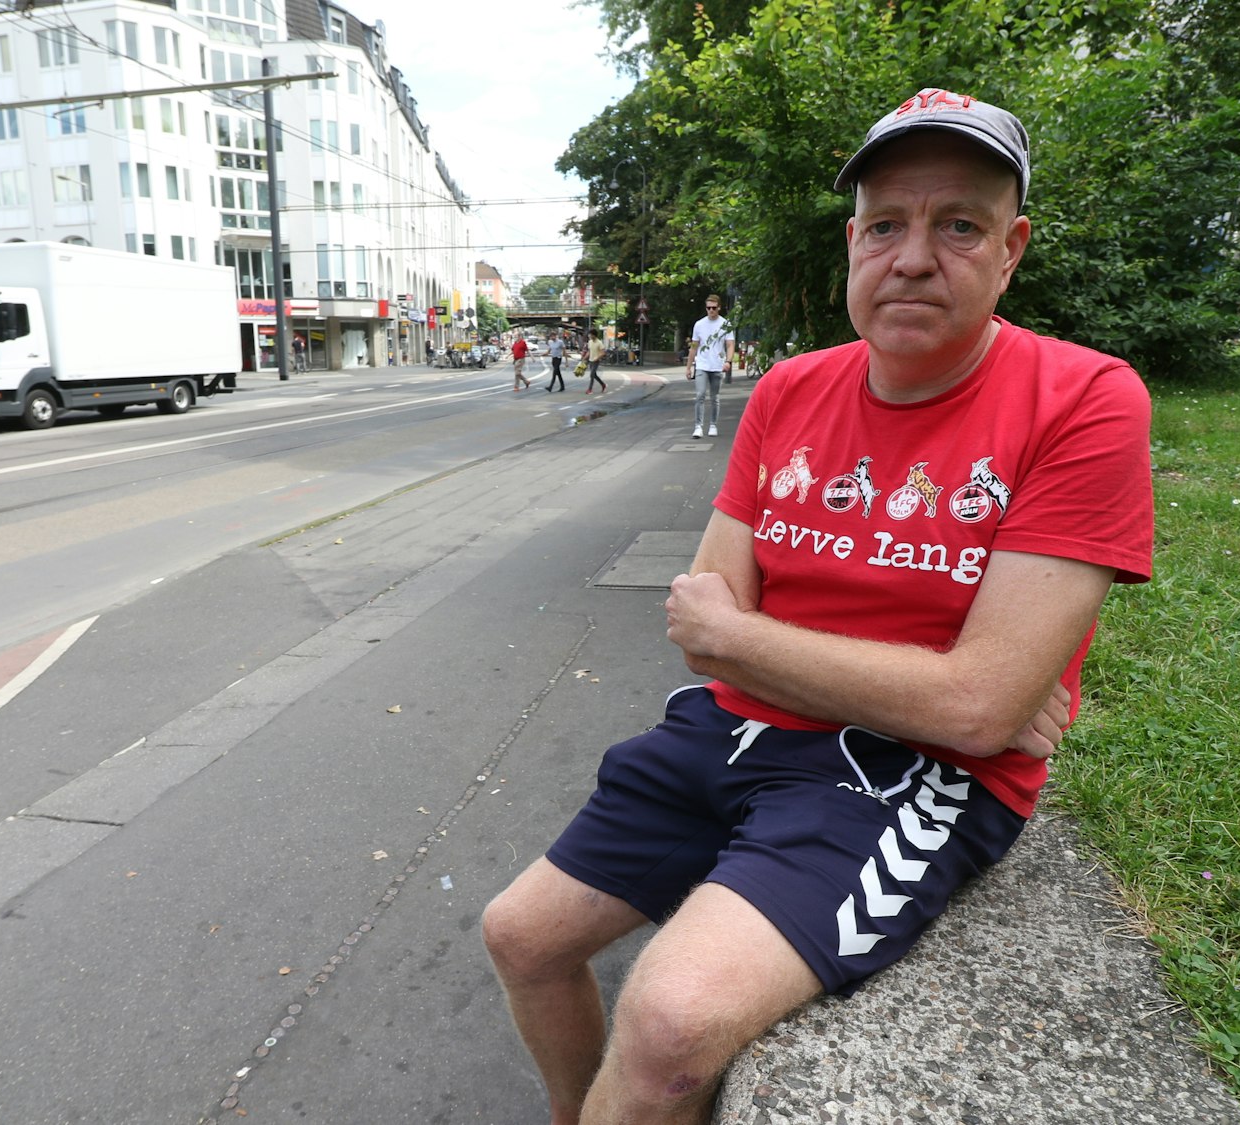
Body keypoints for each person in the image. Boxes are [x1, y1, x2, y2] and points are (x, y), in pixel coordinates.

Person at [481, 87, 1154, 1125]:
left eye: (958, 225)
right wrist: (925, 680)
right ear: (852, 242)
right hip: (734, 732)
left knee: (668, 1021)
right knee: (519, 936)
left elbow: (971, 715)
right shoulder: (792, 391)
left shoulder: (1083, 400)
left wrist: (935, 693)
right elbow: (703, 637)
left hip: (908, 777)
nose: (913, 255)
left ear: (1010, 249)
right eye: (885, 224)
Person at [687, 294, 734, 437]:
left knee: (715, 397)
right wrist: (689, 366)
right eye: (708, 308)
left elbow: (730, 345)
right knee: (700, 394)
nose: (711, 311)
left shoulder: (725, 325)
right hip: (702, 364)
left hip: (717, 365)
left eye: (714, 308)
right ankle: (698, 426)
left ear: (719, 308)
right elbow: (694, 347)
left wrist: (728, 361)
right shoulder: (699, 325)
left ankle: (713, 425)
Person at [583, 329, 608, 394]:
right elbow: (589, 351)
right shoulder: (590, 342)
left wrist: (597, 358)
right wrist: (584, 358)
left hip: (596, 361)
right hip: (590, 360)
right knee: (594, 375)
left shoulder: (599, 343)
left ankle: (590, 389)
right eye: (589, 334)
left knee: (592, 375)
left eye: (590, 334)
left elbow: (603, 353)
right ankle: (603, 385)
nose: (589, 336)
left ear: (594, 335)